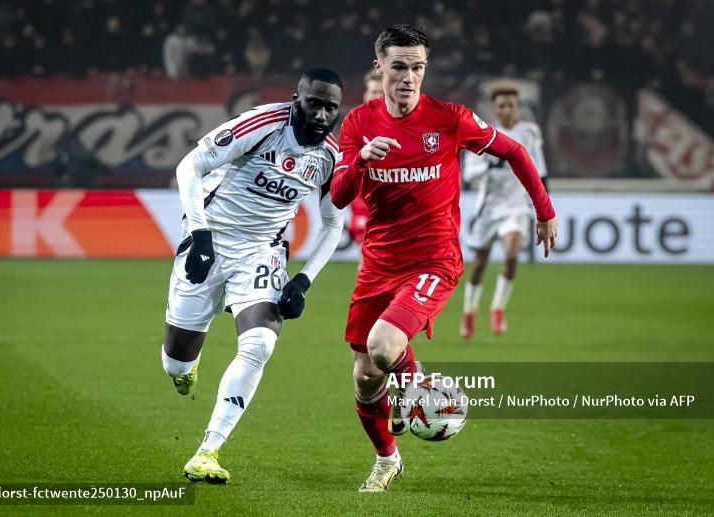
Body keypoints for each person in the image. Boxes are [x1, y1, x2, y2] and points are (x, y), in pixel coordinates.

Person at [330, 25, 557, 493]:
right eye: (399, 67)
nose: (409, 77)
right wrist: (362, 161)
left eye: (417, 68)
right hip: (378, 263)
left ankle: (421, 395)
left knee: (382, 346)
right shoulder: (357, 124)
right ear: (380, 68)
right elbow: (337, 196)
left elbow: (513, 150)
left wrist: (543, 209)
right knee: (365, 373)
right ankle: (387, 459)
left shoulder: (450, 118)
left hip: (434, 260)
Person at [163, 67, 345, 484]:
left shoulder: (331, 156)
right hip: (210, 241)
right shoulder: (262, 123)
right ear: (296, 98)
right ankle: (184, 369)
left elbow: (333, 224)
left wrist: (303, 280)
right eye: (313, 103)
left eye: (329, 108)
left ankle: (208, 450)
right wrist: (199, 233)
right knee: (174, 362)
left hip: (261, 253)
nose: (320, 114)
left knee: (261, 343)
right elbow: (190, 166)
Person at [461, 85, 549, 338]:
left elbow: (540, 172)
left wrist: (543, 209)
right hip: (487, 208)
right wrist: (491, 164)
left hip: (516, 206)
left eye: (511, 105)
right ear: (494, 109)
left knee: (511, 255)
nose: (507, 110)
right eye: (502, 105)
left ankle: (498, 307)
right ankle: (469, 311)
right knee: (479, 264)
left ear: (517, 107)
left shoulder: (529, 132)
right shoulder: (483, 133)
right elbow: (469, 174)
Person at [347, 70, 384, 266]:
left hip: (393, 208)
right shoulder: (354, 126)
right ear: (365, 95)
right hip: (363, 207)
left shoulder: (399, 126)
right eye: (374, 92)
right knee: (368, 264)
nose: (377, 97)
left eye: (381, 92)